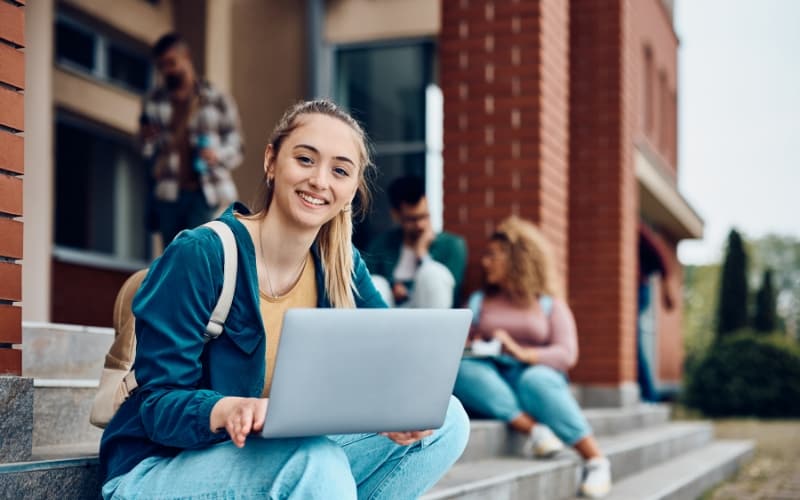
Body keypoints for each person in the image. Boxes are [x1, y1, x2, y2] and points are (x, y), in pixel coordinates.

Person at [99, 100, 470, 499]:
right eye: (306, 159)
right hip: (159, 468)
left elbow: (387, 367)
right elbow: (157, 406)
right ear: (271, 161)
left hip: (269, 458)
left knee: (447, 420)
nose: (320, 181)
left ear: (351, 191)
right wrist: (227, 410)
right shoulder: (202, 253)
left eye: (340, 170)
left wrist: (390, 411)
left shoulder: (341, 267)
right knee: (316, 464)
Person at [453, 216, 612, 499]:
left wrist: (522, 352)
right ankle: (536, 430)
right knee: (462, 370)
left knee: (536, 381)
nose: (485, 262)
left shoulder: (548, 304)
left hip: (535, 375)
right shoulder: (478, 301)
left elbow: (567, 354)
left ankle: (596, 460)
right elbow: (458, 344)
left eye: (493, 255)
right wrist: (474, 343)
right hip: (492, 375)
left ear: (517, 258)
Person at [140, 32, 244, 246]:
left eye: (171, 63)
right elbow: (146, 151)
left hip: (207, 192)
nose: (167, 71)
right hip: (168, 195)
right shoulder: (153, 102)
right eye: (161, 66)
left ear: (186, 56)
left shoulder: (217, 99)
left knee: (203, 253)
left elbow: (237, 145)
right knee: (174, 256)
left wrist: (217, 155)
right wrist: (146, 139)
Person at [365, 175, 467, 308]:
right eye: (412, 219)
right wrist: (392, 286)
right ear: (396, 215)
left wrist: (422, 254)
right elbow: (365, 284)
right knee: (376, 283)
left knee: (433, 273)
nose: (420, 225)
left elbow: (451, 291)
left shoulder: (451, 245)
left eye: (424, 216)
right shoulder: (381, 245)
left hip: (430, 313)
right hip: (391, 312)